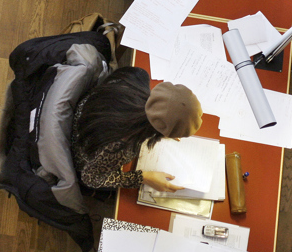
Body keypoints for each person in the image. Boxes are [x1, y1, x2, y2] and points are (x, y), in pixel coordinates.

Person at [70, 67, 203, 193]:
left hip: (87, 116)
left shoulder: (136, 77)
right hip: (82, 149)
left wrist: (164, 122)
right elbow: (90, 178)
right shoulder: (119, 147)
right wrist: (143, 177)